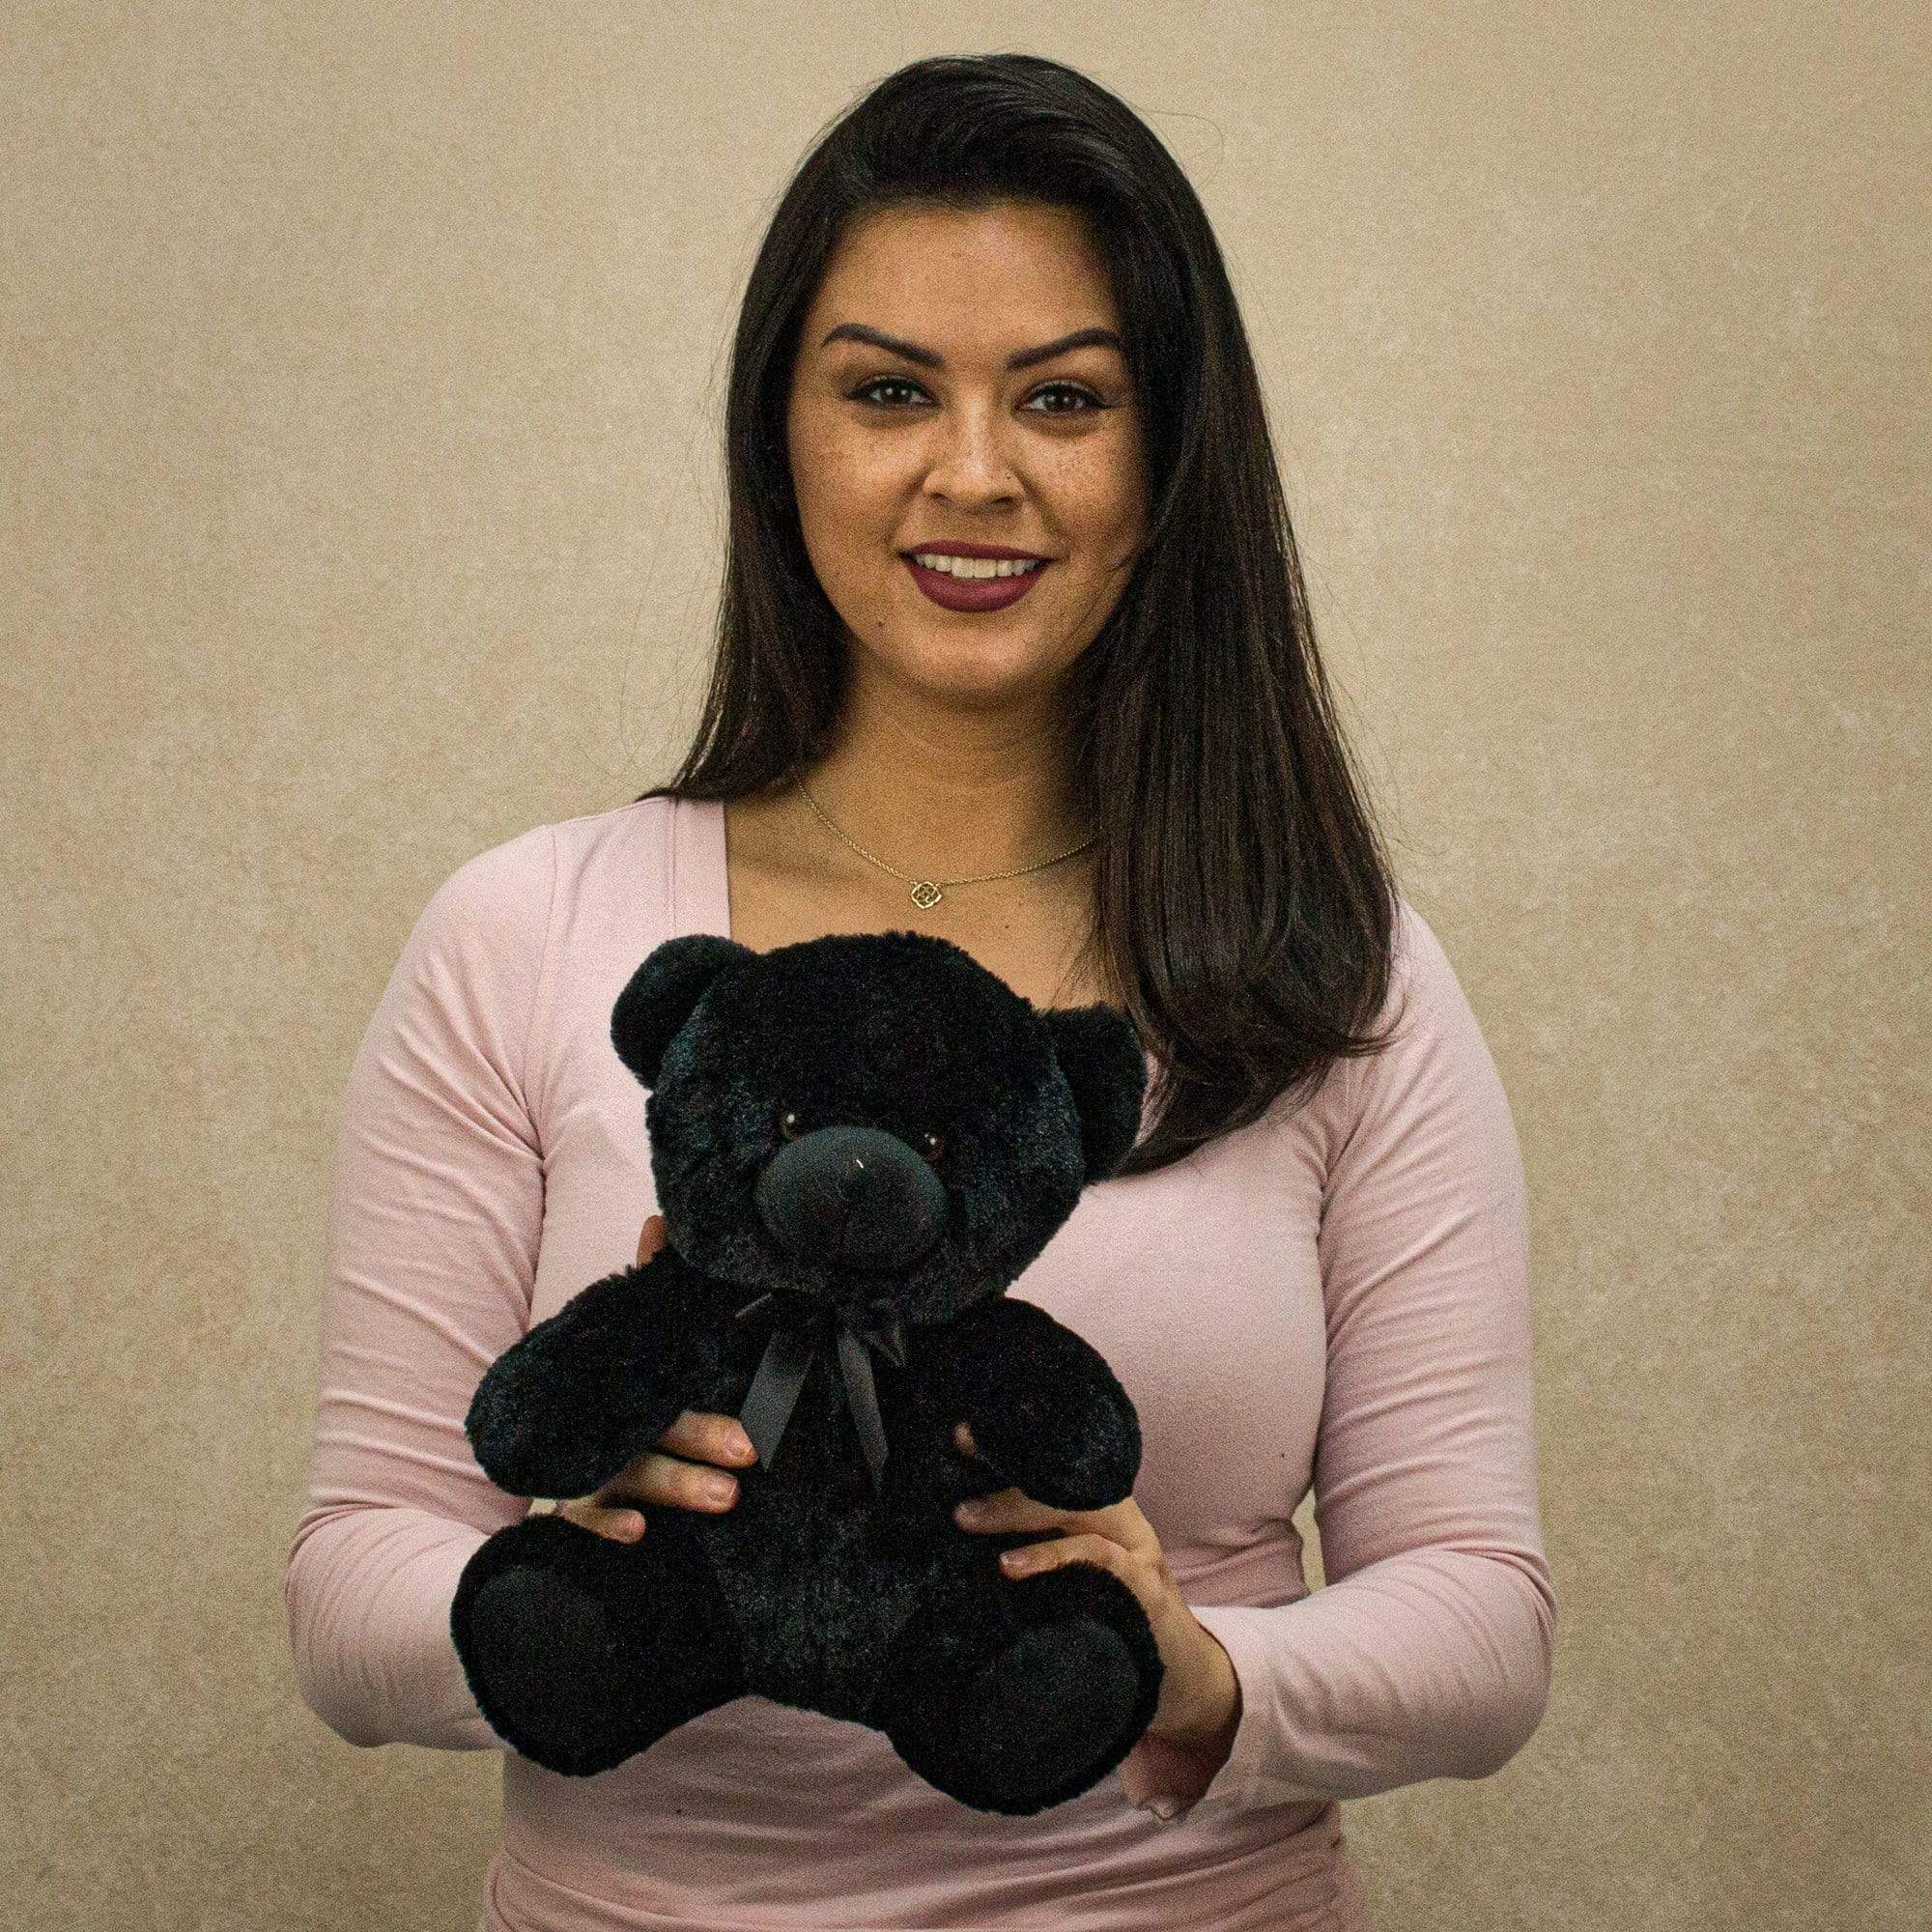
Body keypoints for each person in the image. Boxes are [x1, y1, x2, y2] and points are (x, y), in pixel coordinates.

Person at [285, 51, 1555, 1932]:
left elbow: (1481, 1612)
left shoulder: (1324, 966)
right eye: (888, 390)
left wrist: (1193, 1668)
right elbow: (346, 1587)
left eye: (1062, 398)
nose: (974, 473)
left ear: (1165, 453)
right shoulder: (526, 929)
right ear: (777, 434)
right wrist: (578, 1569)